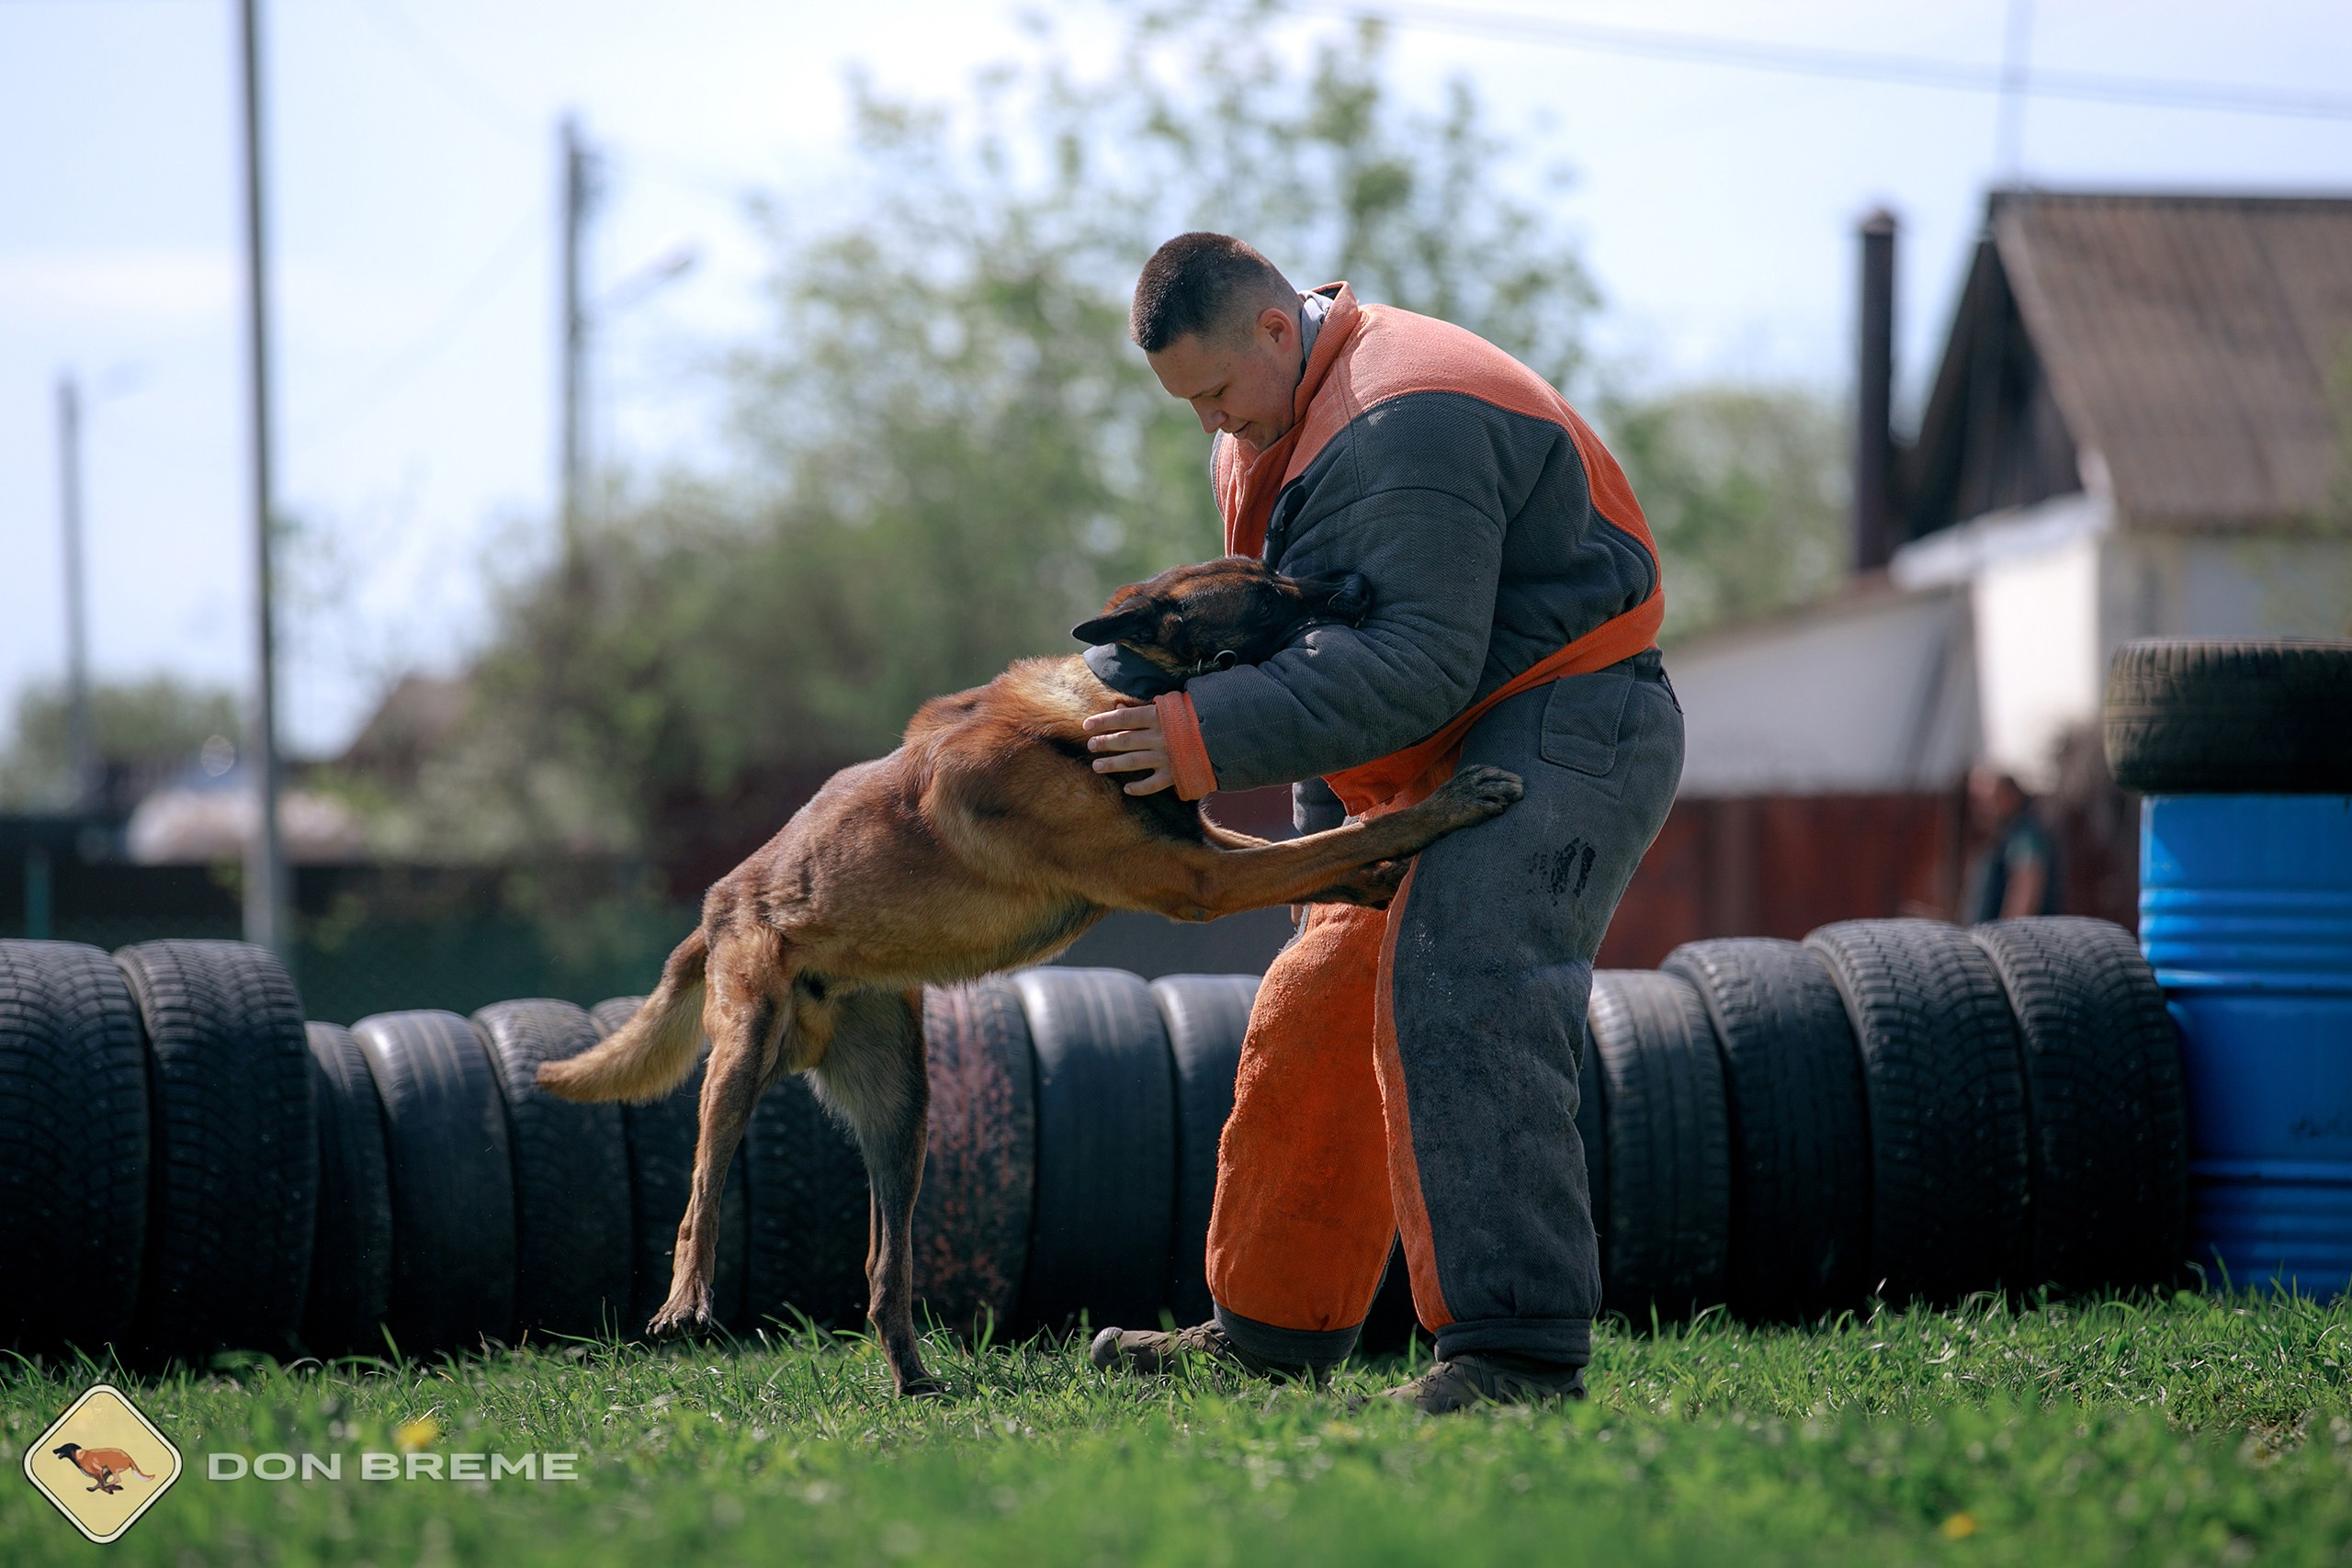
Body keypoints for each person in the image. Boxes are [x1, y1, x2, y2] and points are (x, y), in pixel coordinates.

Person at [1079, 232, 1683, 1413]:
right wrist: (1323, 864)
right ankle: (1265, 1334)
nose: (1211, 424)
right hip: (1421, 747)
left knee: (1460, 964)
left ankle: (1515, 1356)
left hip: (1569, 717)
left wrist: (1192, 744)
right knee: (1317, 990)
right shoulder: (1270, 424)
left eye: (1214, 392)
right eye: (1187, 406)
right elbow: (1300, 642)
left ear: (1272, 327)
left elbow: (1411, 662)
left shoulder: (1405, 412)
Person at [1962, 764, 2059, 923]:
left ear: (2009, 795)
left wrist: (2008, 941)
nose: (1983, 808)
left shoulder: (2025, 835)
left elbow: (2026, 891)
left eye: (1989, 799)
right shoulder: (2004, 835)